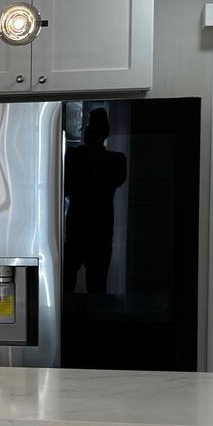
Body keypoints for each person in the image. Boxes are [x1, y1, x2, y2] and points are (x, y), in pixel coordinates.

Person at [63, 108, 126, 295]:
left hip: (80, 230)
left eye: (90, 128)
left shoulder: (76, 156)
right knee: (96, 289)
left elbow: (66, 188)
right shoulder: (115, 160)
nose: (87, 132)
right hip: (98, 232)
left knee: (69, 287)